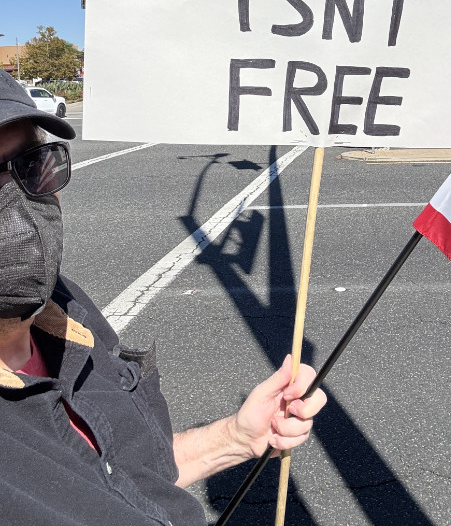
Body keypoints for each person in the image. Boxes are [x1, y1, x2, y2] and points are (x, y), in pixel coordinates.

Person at [0, 69, 326, 526]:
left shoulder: (64, 307)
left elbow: (121, 475)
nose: (18, 210)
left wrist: (235, 438)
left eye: (34, 164)